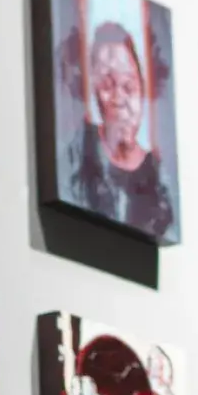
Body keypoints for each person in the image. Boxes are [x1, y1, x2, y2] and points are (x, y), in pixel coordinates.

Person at [67, 21, 173, 237]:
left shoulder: (160, 176)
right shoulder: (78, 155)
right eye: (107, 85)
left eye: (128, 86)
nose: (119, 99)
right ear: (94, 94)